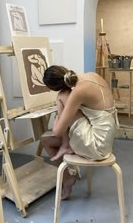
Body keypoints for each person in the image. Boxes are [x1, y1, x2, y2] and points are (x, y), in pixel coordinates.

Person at [41, 65, 119, 199]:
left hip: (97, 145)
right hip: (107, 137)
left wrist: (57, 118)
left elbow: (58, 131)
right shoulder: (92, 75)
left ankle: (66, 148)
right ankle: (68, 177)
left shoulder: (75, 92)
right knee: (46, 140)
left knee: (61, 98)